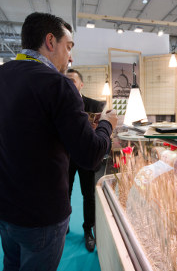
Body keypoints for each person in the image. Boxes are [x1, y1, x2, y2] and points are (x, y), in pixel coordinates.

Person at [0, 12, 118, 271]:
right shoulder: (57, 85)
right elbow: (90, 155)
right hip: (38, 217)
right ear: (50, 41)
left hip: (0, 207)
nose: (71, 57)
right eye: (69, 47)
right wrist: (107, 124)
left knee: (12, 265)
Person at [65, 68, 105, 252]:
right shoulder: (59, 103)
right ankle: (63, 224)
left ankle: (88, 230)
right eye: (66, 80)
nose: (69, 83)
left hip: (86, 155)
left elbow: (101, 132)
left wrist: (98, 127)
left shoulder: (94, 105)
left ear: (81, 84)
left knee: (88, 194)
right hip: (65, 156)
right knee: (64, 191)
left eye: (73, 80)